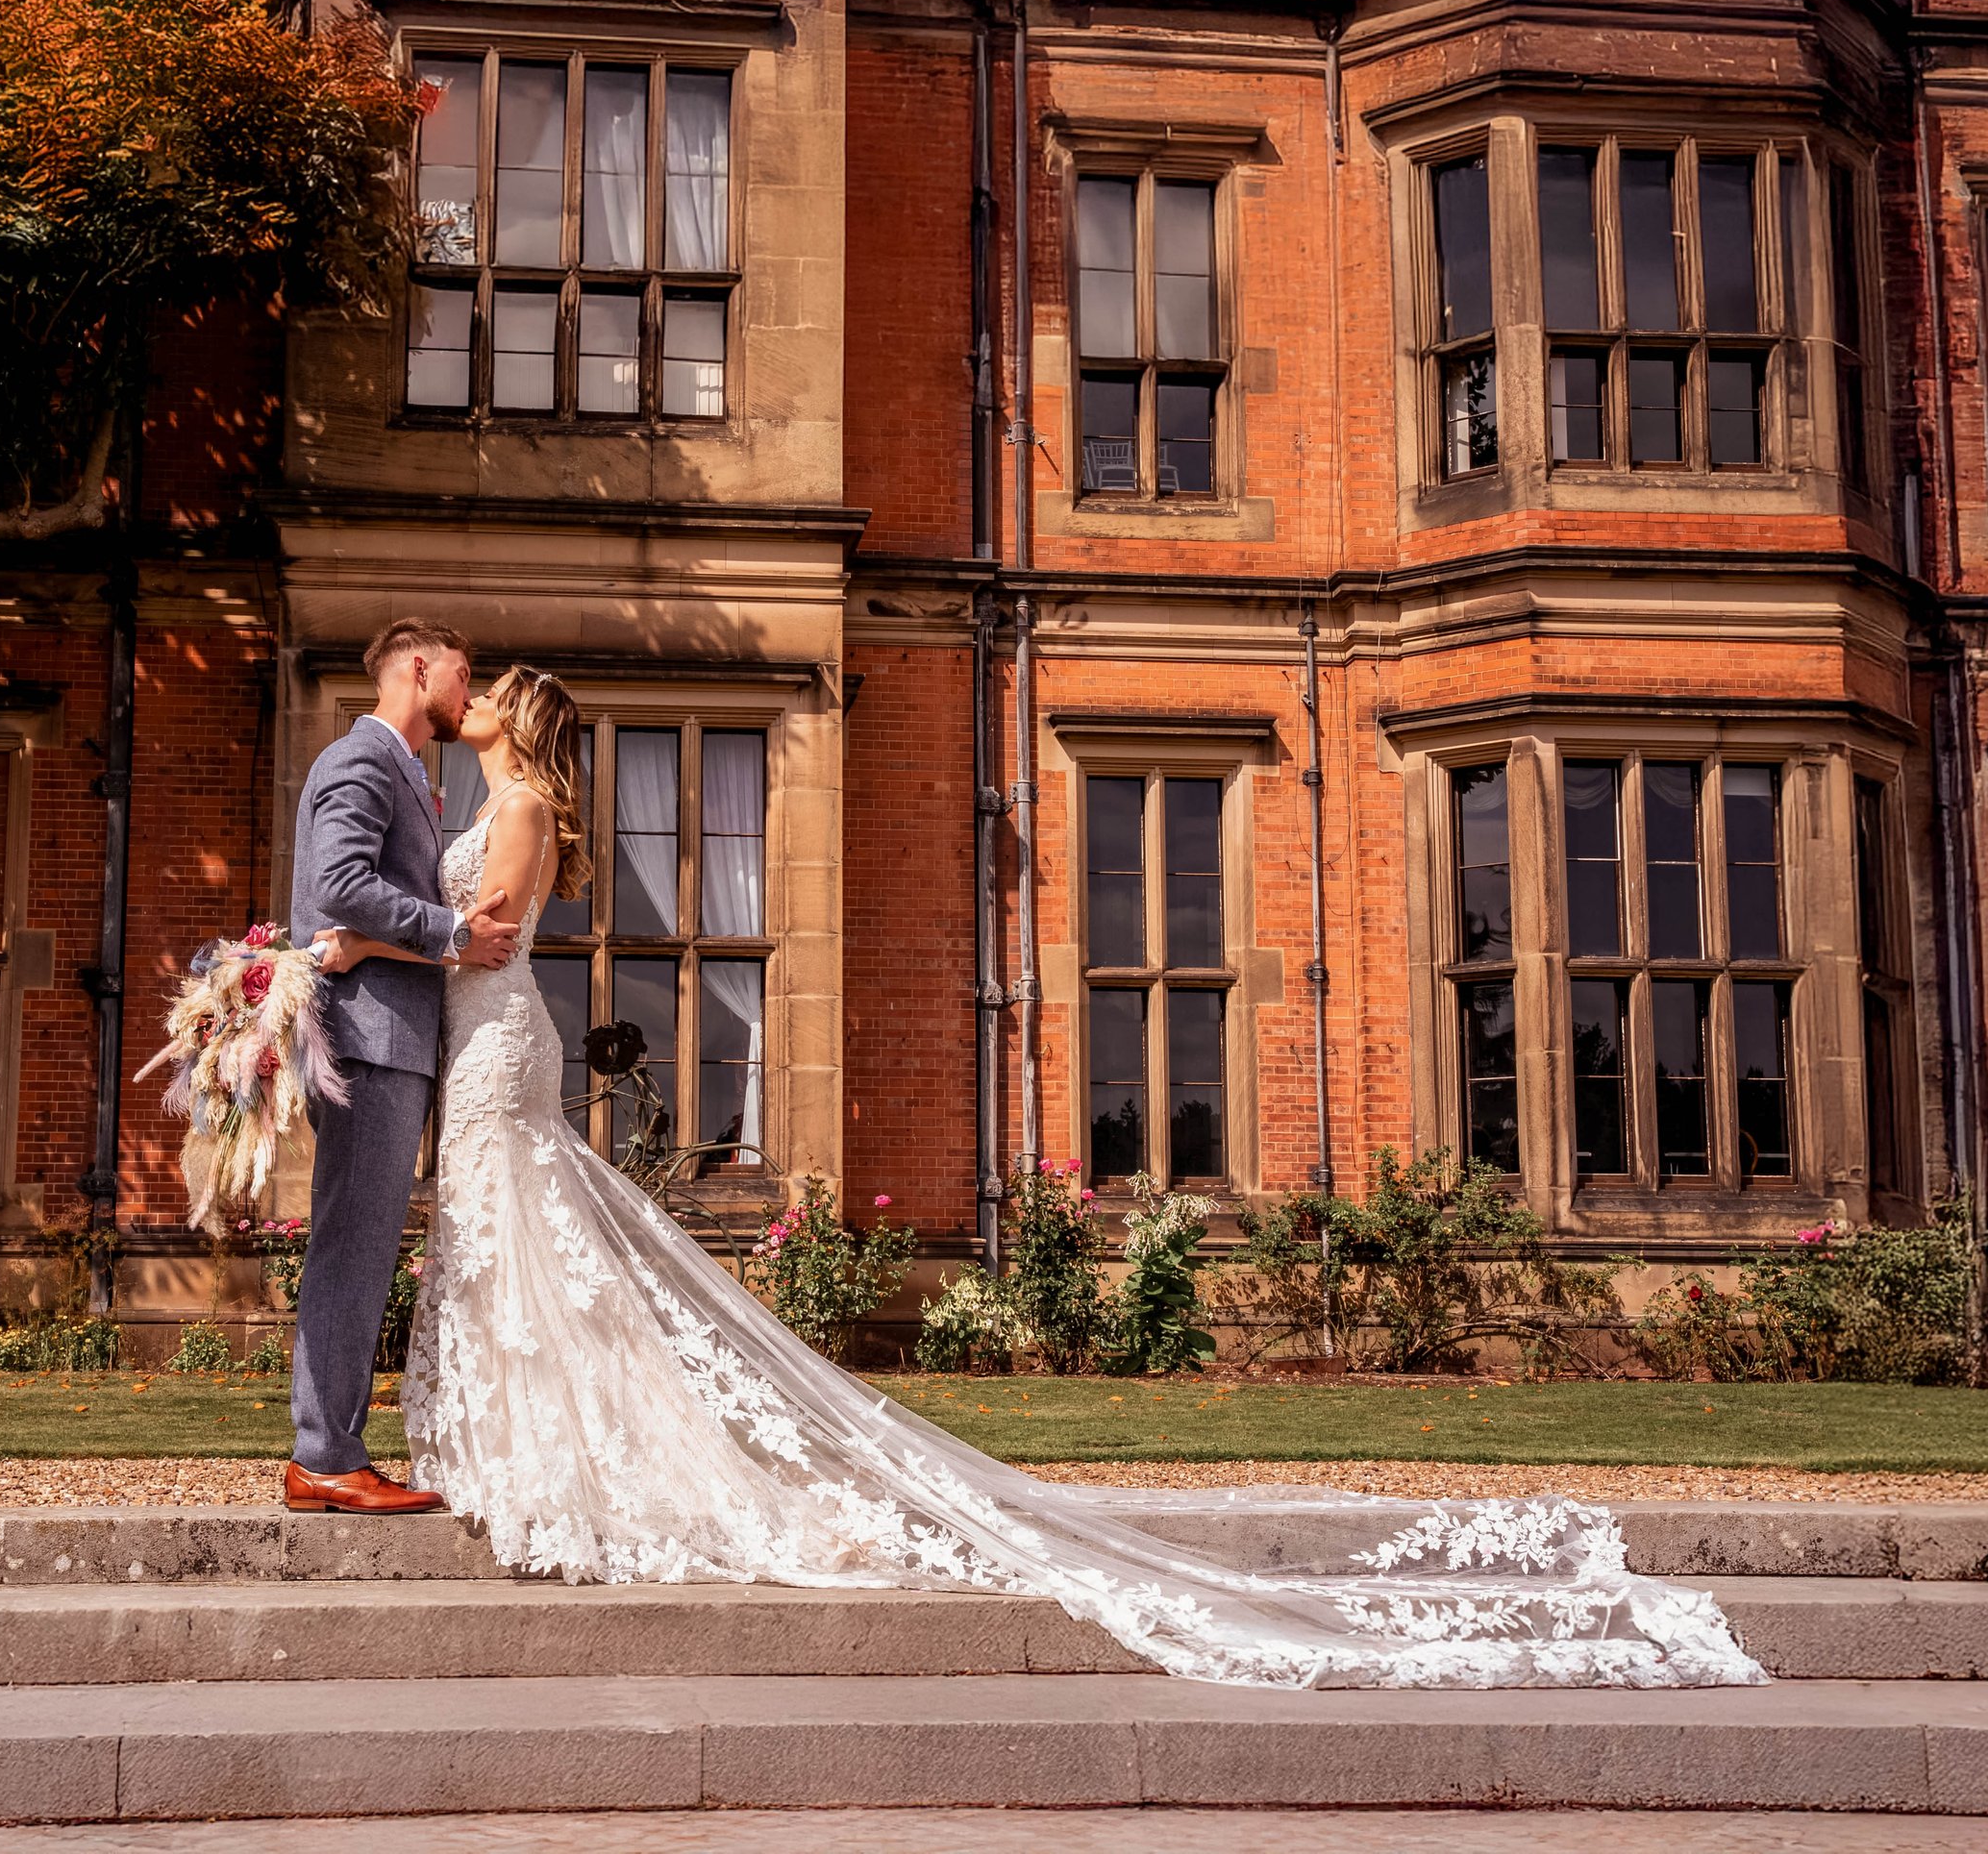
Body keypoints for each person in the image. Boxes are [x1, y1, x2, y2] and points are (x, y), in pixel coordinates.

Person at [311, 662, 1767, 1690]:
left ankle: (555, 1466)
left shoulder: (510, 813)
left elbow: (488, 935)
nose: (475, 689)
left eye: (491, 687)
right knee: (515, 1251)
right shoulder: (480, 799)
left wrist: (356, 947)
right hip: (482, 1045)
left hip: (495, 1038)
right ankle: (513, 1450)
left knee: (522, 1244)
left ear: (522, 726)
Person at [282, 618, 522, 1516]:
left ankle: (329, 1451)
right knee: (353, 1243)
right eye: (464, 673)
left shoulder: (411, 774)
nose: (469, 692)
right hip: (365, 1040)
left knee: (364, 1244)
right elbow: (340, 884)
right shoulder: (363, 759)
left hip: (392, 1040)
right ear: (418, 668)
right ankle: (325, 1455)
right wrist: (452, 931)